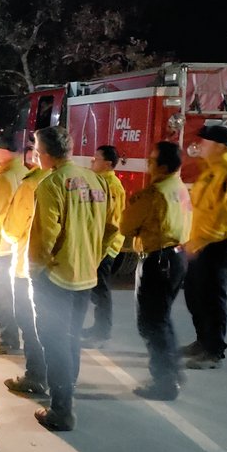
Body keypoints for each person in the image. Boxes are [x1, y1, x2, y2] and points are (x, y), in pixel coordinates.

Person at [29, 126, 117, 432]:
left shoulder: (51, 184)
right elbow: (112, 228)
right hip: (85, 276)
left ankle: (61, 410)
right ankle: (68, 395)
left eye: (36, 150)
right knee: (71, 339)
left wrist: (36, 270)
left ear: (46, 154)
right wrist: (94, 257)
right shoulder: (96, 180)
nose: (35, 155)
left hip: (57, 277)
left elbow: (44, 238)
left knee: (54, 343)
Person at [121, 142, 192, 399]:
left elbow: (126, 226)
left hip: (157, 260)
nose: (148, 164)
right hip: (177, 257)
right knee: (162, 319)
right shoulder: (179, 187)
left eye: (151, 161)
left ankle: (164, 383)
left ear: (162, 166)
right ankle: (172, 372)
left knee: (151, 324)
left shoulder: (154, 193)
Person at [182, 125, 227, 369]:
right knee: (195, 295)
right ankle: (202, 341)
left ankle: (214, 352)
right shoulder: (211, 171)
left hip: (215, 245)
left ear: (220, 147)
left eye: (206, 141)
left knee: (212, 297)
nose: (201, 144)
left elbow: (221, 220)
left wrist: (197, 244)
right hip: (200, 245)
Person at [2, 145, 51, 397]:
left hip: (29, 266)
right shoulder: (78, 180)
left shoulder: (31, 185)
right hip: (67, 269)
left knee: (30, 324)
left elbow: (11, 229)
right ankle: (63, 379)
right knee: (61, 328)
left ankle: (35, 376)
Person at [0, 132, 29, 355]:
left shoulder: (4, 179)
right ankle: (5, 332)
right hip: (17, 246)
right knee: (9, 295)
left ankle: (6, 338)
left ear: (8, 152)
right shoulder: (23, 172)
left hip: (0, 246)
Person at [82, 145, 125, 346]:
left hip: (105, 247)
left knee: (101, 290)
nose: (92, 161)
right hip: (97, 245)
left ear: (107, 164)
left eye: (96, 158)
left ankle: (102, 333)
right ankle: (98, 327)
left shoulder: (112, 186)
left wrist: (100, 252)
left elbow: (112, 224)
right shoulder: (101, 182)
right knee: (96, 289)